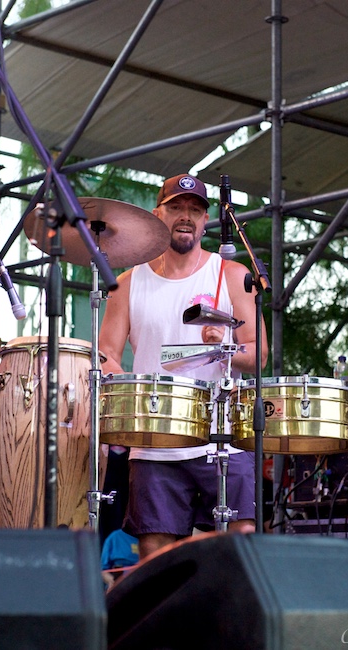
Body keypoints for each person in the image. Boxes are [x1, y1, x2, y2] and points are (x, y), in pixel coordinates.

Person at [99, 173, 268, 560]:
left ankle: (233, 619)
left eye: (195, 210)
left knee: (243, 535)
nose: (185, 217)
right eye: (176, 207)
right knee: (155, 547)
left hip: (222, 430)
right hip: (155, 436)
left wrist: (226, 346)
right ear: (158, 214)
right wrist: (126, 400)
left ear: (206, 220)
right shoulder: (127, 283)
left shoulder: (234, 275)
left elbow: (258, 355)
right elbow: (107, 354)